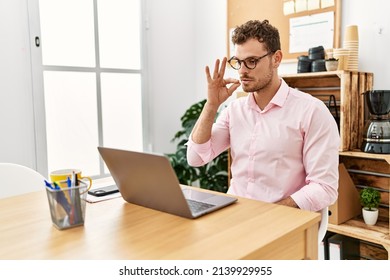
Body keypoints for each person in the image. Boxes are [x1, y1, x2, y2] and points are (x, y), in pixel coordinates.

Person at [186, 19, 339, 212]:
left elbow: (324, 188)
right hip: (235, 216)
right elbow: (195, 157)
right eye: (238, 62)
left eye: (252, 61)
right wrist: (211, 104)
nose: (242, 71)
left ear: (276, 59)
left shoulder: (311, 111)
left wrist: (267, 214)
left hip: (282, 220)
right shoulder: (234, 111)